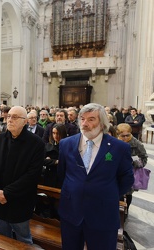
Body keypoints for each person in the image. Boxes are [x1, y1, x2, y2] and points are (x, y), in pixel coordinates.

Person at [57, 103, 134, 250]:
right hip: (71, 213)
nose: (85, 123)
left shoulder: (119, 148)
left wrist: (106, 194)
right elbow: (62, 173)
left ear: (102, 123)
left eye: (91, 119)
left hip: (103, 215)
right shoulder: (66, 144)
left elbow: (127, 178)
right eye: (82, 119)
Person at [0, 106, 45, 245]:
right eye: (9, 116)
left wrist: (6, 193)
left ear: (25, 121)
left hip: (19, 201)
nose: (10, 120)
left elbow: (32, 175)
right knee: (2, 238)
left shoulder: (36, 143)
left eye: (15, 117)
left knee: (23, 240)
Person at [116, 123, 148, 216]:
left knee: (128, 193)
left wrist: (134, 163)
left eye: (128, 135)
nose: (125, 138)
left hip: (130, 172)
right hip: (116, 172)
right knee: (117, 194)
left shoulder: (137, 144)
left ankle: (125, 213)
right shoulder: (115, 142)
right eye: (123, 136)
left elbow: (144, 158)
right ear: (118, 134)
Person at [43, 123, 67, 188]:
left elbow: (65, 162)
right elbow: (42, 161)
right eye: (53, 133)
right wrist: (55, 161)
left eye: (58, 133)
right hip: (49, 176)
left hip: (61, 177)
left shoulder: (67, 146)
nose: (55, 136)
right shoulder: (49, 145)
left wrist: (50, 161)